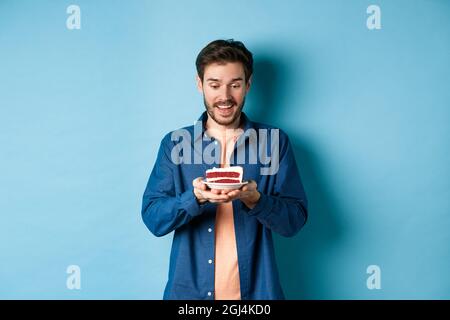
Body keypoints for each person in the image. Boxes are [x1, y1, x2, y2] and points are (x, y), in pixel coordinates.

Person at [141, 39, 308, 300]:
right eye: (215, 85)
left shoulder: (274, 142)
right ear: (200, 84)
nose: (225, 97)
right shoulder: (175, 143)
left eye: (235, 85)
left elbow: (294, 221)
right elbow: (153, 219)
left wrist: (257, 200)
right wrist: (193, 198)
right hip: (189, 297)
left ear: (248, 85)